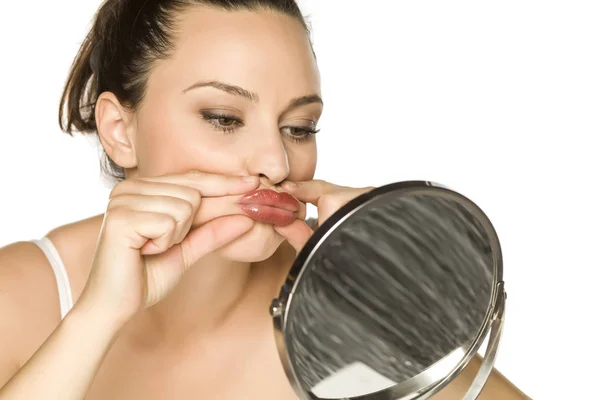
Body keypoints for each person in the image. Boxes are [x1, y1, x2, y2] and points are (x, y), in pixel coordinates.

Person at [0, 1, 530, 398]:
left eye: (300, 127)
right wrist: (98, 317)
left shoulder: (341, 319)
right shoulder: (19, 297)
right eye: (224, 119)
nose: (277, 164)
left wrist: (397, 316)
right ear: (119, 129)